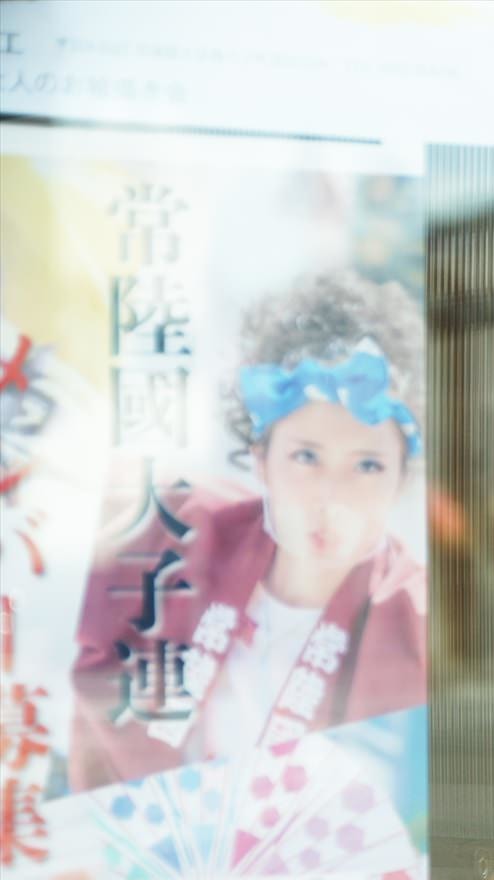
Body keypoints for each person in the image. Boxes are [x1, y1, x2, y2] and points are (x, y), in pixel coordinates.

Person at [69, 270, 427, 790]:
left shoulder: (421, 621)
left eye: (368, 466)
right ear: (261, 460)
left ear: (401, 478)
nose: (333, 494)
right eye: (306, 457)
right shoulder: (176, 538)